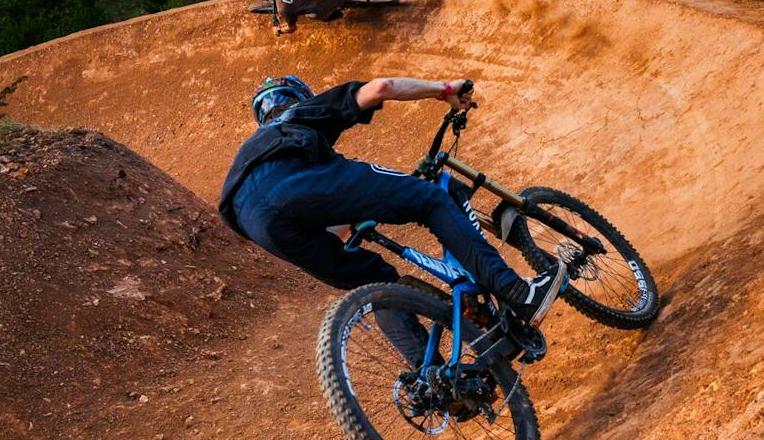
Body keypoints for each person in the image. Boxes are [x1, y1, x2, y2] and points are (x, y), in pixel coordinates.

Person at [218, 75, 567, 357]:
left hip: (251, 221)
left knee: (374, 281)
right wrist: (445, 90)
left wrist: (365, 211)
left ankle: (432, 381)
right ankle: (519, 293)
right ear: (299, 96)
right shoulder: (300, 115)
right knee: (429, 199)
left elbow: (332, 228)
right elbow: (381, 88)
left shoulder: (248, 153)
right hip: (289, 185)